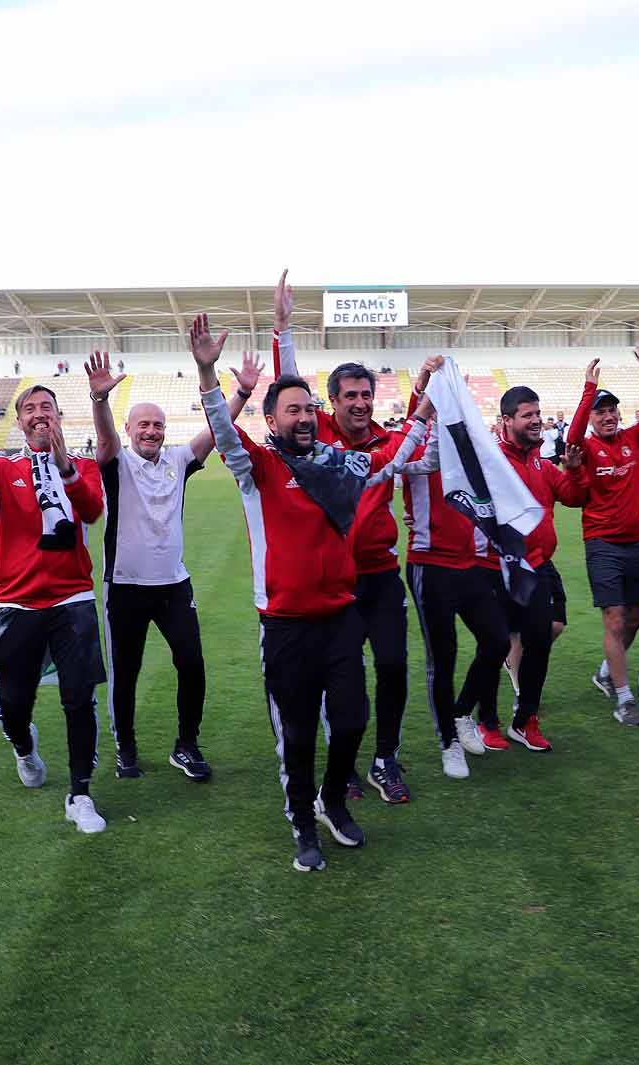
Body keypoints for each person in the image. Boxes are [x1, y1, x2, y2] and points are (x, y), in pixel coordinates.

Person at [192, 312, 429, 872]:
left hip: (342, 615)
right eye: (291, 409)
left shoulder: (337, 465)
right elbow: (223, 433)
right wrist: (208, 373)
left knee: (350, 720)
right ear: (272, 419)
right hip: (287, 625)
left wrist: (419, 416)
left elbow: (387, 458)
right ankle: (302, 820)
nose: (302, 416)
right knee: (296, 735)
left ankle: (329, 802)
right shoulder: (258, 467)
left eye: (307, 409)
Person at [270, 270, 418, 804]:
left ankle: (385, 757)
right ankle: (345, 767)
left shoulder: (389, 440)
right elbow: (287, 389)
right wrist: (283, 328)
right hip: (335, 583)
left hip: (380, 575)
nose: (359, 402)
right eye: (350, 395)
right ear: (330, 402)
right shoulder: (318, 435)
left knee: (394, 665)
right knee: (342, 677)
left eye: (366, 394)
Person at [86, 348, 260, 782]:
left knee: (193, 664)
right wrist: (100, 401)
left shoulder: (177, 461)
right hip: (124, 586)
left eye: (157, 424)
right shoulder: (117, 462)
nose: (151, 430)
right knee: (126, 672)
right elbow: (105, 442)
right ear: (129, 430)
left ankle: (186, 745)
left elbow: (216, 432)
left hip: (172, 586)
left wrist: (240, 391)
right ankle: (126, 745)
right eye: (143, 424)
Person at [0, 376, 109, 833]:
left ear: (59, 417)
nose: (40, 413)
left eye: (48, 407)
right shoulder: (4, 469)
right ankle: (24, 746)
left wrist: (65, 469)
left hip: (72, 599)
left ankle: (80, 795)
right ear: (20, 421)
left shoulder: (82, 465)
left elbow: (94, 510)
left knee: (79, 698)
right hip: (17, 604)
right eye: (30, 408)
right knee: (13, 703)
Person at [402, 364, 514, 777]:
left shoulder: (464, 442)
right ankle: (448, 742)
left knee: (497, 640)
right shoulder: (414, 444)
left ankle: (462, 712)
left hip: (467, 562)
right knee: (442, 656)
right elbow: (408, 464)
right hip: (429, 564)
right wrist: (426, 392)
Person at [565, 346, 639, 725]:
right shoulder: (586, 449)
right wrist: (588, 388)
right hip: (603, 544)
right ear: (592, 417)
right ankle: (625, 698)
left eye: (612, 409)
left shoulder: (633, 438)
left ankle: (605, 672)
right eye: (600, 411)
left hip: (635, 544)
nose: (608, 415)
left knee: (634, 619)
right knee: (614, 618)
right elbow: (574, 435)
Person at [493, 386, 589, 750]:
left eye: (538, 414)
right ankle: (485, 721)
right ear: (507, 420)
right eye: (527, 415)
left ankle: (524, 720)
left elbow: (574, 496)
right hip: (501, 569)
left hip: (537, 567)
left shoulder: (541, 462)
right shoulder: (493, 461)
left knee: (540, 640)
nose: (536, 421)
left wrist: (576, 471)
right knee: (495, 644)